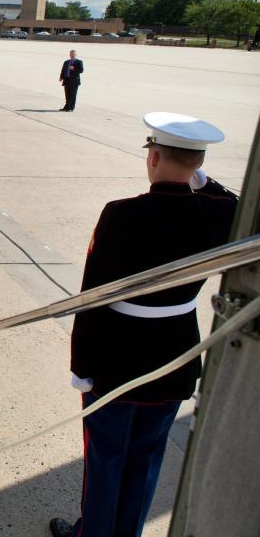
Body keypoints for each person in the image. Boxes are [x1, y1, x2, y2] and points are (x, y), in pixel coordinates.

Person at [49, 113, 238, 537]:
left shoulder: (122, 214)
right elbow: (232, 202)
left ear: (152, 157)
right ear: (197, 163)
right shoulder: (218, 214)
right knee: (146, 459)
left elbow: (95, 297)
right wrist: (199, 176)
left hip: (118, 359)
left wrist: (82, 366)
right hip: (175, 357)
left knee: (106, 459)